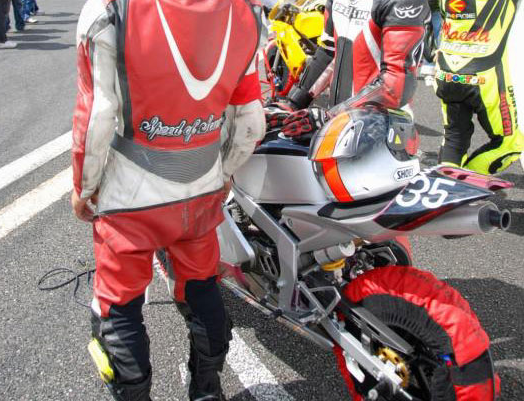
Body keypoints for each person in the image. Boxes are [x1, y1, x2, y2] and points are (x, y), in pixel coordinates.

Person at [71, 0, 265, 400]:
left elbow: (97, 116)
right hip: (200, 190)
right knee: (202, 289)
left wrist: (83, 189)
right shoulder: (248, 12)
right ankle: (207, 390)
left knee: (117, 309)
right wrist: (223, 174)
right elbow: (250, 121)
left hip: (130, 199)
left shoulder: (108, 9)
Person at [270, 0, 430, 139]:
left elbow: (395, 84)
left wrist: (332, 116)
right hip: (338, 125)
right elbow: (328, 52)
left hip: (382, 130)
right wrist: (292, 104)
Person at [434, 0, 524, 175]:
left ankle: (445, 183)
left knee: (454, 139)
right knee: (510, 144)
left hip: (446, 73)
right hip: (484, 77)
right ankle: (464, 181)